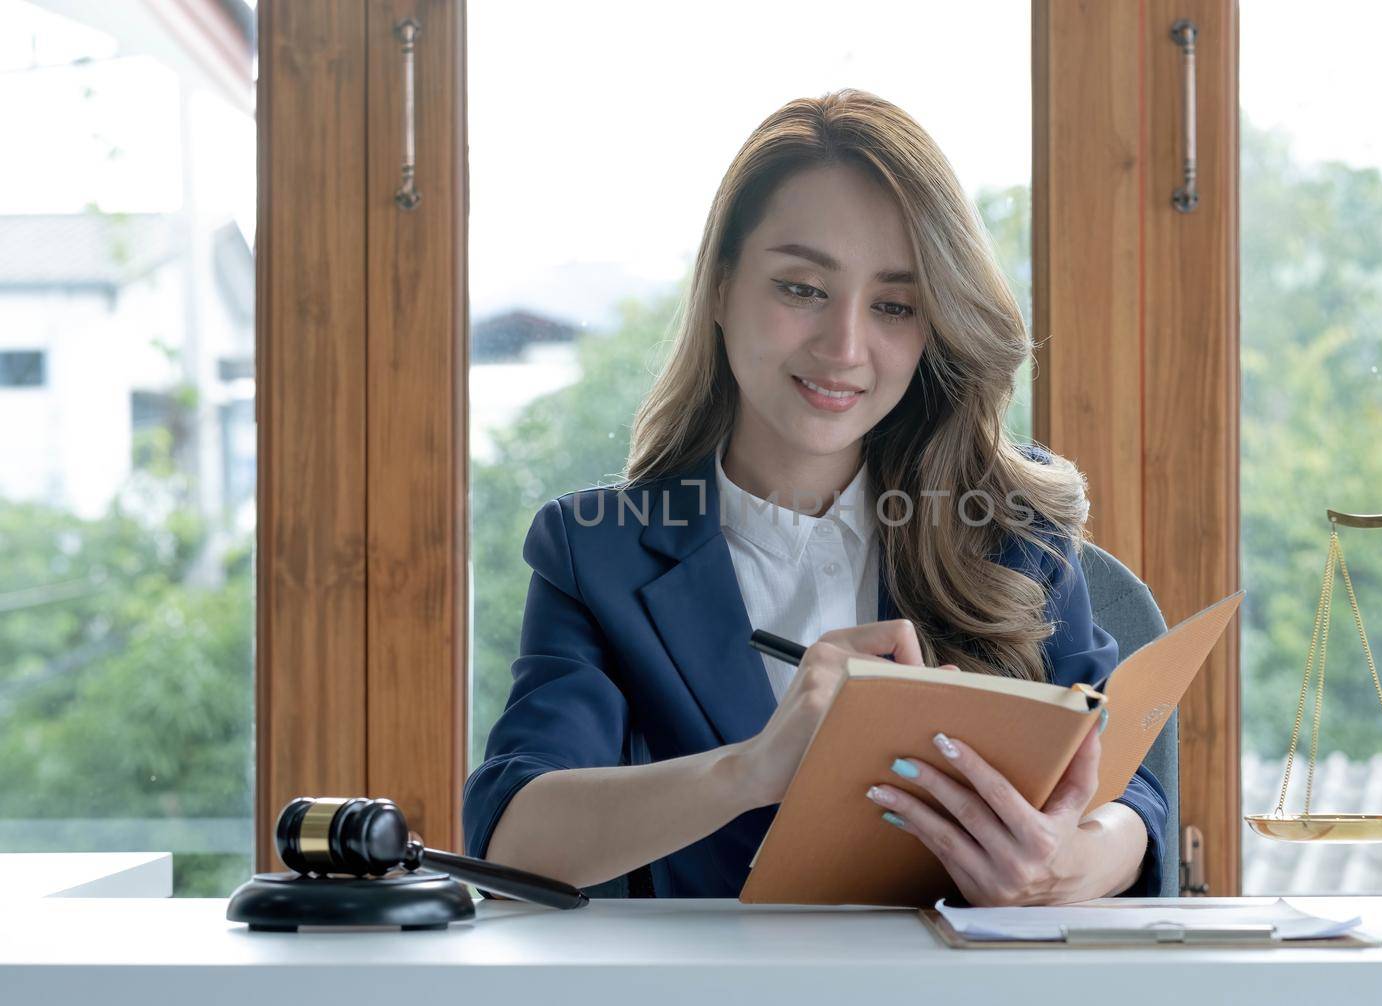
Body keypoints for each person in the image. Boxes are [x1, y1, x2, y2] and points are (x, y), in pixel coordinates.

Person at [463, 89, 1165, 905]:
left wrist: (1065, 866)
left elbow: (1130, 793)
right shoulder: (598, 550)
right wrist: (752, 768)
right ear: (720, 287)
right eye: (802, 288)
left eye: (895, 305)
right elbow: (511, 836)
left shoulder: (1009, 528)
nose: (844, 348)